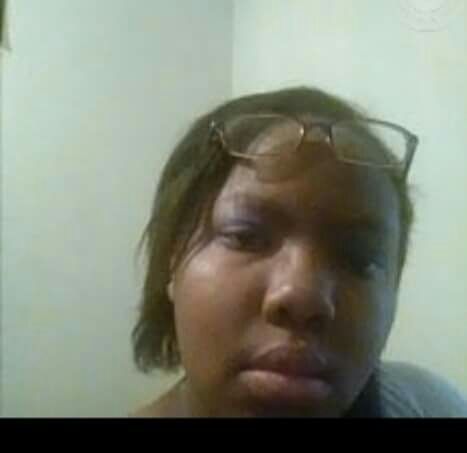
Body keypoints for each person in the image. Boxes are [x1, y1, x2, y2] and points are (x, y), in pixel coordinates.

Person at [130, 87, 467, 417]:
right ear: (172, 259)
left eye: (360, 258)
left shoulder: (429, 404)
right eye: (246, 237)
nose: (303, 297)